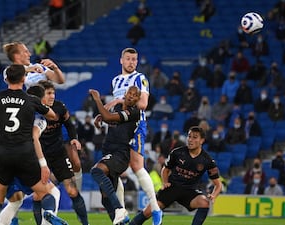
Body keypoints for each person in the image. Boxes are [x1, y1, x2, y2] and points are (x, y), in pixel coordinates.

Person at [0, 64, 66, 225]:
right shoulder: (31, 100)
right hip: (24, 154)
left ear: (6, 78)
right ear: (23, 79)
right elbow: (52, 115)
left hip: (1, 154)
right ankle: (48, 213)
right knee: (49, 192)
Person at [104, 47, 163, 225]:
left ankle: (155, 209)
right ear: (121, 60)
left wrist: (119, 101)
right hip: (118, 127)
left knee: (137, 166)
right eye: (128, 59)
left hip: (136, 125)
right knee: (114, 171)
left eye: (134, 59)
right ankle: (122, 213)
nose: (131, 62)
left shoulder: (140, 79)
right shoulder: (115, 81)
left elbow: (143, 104)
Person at [129, 126, 222, 225]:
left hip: (189, 191)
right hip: (172, 187)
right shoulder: (177, 152)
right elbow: (165, 169)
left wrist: (213, 195)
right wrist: (165, 182)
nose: (190, 140)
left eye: (194, 137)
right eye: (189, 136)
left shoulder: (207, 160)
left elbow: (218, 184)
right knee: (148, 212)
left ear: (202, 140)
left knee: (204, 203)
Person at [35, 80, 89, 225]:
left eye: (53, 93)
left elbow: (69, 124)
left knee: (72, 191)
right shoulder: (34, 110)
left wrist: (74, 139)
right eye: (48, 93)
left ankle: (85, 223)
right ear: (41, 95)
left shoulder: (60, 108)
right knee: (38, 195)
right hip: (40, 155)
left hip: (58, 153)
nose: (52, 96)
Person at [90, 86, 142, 225]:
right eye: (130, 93)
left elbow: (109, 117)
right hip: (108, 152)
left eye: (135, 95)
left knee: (97, 171)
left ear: (138, 100)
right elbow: (111, 120)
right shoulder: (118, 108)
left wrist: (97, 99)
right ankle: (120, 221)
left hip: (120, 154)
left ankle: (120, 209)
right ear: (125, 94)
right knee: (105, 198)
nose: (131, 96)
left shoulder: (134, 112)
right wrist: (101, 118)